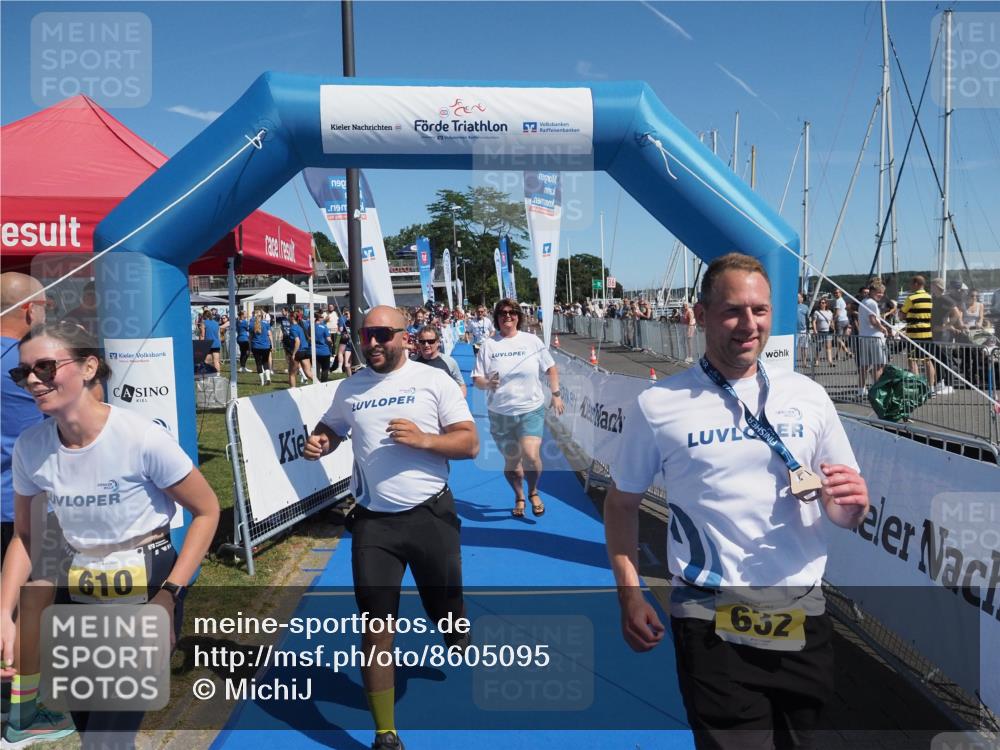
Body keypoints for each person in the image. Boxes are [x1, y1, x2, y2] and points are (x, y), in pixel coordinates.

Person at [604, 253, 869, 750]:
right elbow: (620, 505)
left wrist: (853, 506)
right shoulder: (659, 405)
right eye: (732, 311)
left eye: (760, 310)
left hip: (803, 613)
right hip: (712, 617)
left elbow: (841, 507)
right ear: (700, 315)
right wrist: (630, 593)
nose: (749, 325)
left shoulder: (808, 395)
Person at [1, 321, 220, 749]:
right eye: (21, 372)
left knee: (105, 739)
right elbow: (26, 537)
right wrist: (4, 612)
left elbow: (207, 511)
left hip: (146, 585)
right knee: (89, 725)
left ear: (87, 367)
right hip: (76, 586)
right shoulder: (31, 446)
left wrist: (169, 594)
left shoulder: (140, 438)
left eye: (45, 367)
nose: (32, 380)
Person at [303, 306, 478, 750]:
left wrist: (425, 439)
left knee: (446, 609)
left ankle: (454, 627)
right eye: (366, 335)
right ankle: (385, 733)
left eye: (383, 334)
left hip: (430, 515)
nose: (373, 342)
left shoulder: (433, 380)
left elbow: (469, 443)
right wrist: (322, 440)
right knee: (376, 626)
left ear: (405, 338)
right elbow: (334, 426)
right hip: (373, 524)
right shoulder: (351, 387)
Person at [0, 273, 62, 744]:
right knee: (27, 610)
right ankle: (21, 718)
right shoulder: (29, 368)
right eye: (45, 306)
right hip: (22, 506)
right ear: (28, 310)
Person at [472, 299, 564, 518]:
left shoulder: (531, 341)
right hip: (501, 413)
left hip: (530, 409)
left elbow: (550, 367)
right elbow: (477, 379)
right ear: (497, 318)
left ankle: (533, 491)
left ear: (518, 316)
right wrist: (488, 383)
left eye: (512, 312)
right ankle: (519, 495)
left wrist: (556, 394)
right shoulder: (489, 345)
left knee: (531, 457)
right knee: (512, 462)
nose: (508, 316)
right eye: (503, 313)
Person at [902, 275, 935, 390]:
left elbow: (902, 314)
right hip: (927, 331)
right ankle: (931, 387)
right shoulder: (930, 297)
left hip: (914, 332)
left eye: (911, 283)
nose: (910, 286)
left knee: (912, 360)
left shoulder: (911, 298)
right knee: (927, 360)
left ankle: (917, 387)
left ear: (916, 283)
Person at [413, 325, 466, 398]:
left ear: (438, 342)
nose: (426, 345)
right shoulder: (411, 362)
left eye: (430, 341)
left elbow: (461, 385)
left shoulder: (449, 362)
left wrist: (458, 403)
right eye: (422, 342)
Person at [857, 283, 891, 397]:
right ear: (871, 291)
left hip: (864, 337)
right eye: (878, 292)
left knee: (864, 365)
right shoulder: (872, 303)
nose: (881, 295)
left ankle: (861, 390)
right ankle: (878, 392)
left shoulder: (863, 302)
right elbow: (873, 320)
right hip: (875, 337)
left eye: (882, 292)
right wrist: (883, 329)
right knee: (879, 365)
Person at [288, 311, 315, 387]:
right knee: (308, 373)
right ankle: (320, 385)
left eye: (289, 316)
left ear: (292, 318)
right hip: (305, 351)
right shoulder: (300, 327)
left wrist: (293, 353)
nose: (288, 318)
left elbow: (297, 341)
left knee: (292, 374)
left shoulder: (293, 328)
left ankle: (293, 390)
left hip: (298, 352)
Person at [250, 310, 273, 386]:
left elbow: (250, 337)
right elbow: (270, 335)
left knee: (258, 363)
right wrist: (272, 345)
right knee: (265, 362)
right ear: (262, 316)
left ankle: (262, 382)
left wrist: (249, 347)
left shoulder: (251, 324)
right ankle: (268, 379)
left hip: (256, 346)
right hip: (266, 346)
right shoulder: (266, 324)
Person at [811, 297, 835, 367]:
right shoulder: (816, 312)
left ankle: (830, 362)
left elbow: (831, 321)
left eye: (824, 303)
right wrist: (815, 330)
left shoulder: (830, 312)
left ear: (826, 304)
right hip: (820, 331)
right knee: (819, 347)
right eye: (821, 303)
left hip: (828, 331)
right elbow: (814, 322)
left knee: (828, 347)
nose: (822, 304)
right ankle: (817, 361)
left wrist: (833, 328)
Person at [313, 310, 334, 382]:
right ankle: (323, 383)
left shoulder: (311, 326)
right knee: (325, 369)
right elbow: (328, 339)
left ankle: (316, 383)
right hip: (324, 351)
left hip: (314, 351)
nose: (323, 318)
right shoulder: (324, 327)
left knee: (316, 369)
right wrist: (331, 343)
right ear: (319, 318)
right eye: (322, 317)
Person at [796, 292, 810, 365]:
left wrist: (808, 329)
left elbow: (807, 319)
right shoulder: (793, 306)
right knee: (794, 347)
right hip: (795, 331)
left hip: (804, 330)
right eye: (797, 297)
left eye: (799, 297)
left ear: (802, 298)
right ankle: (793, 363)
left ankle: (804, 363)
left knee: (804, 347)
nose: (797, 298)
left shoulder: (805, 307)